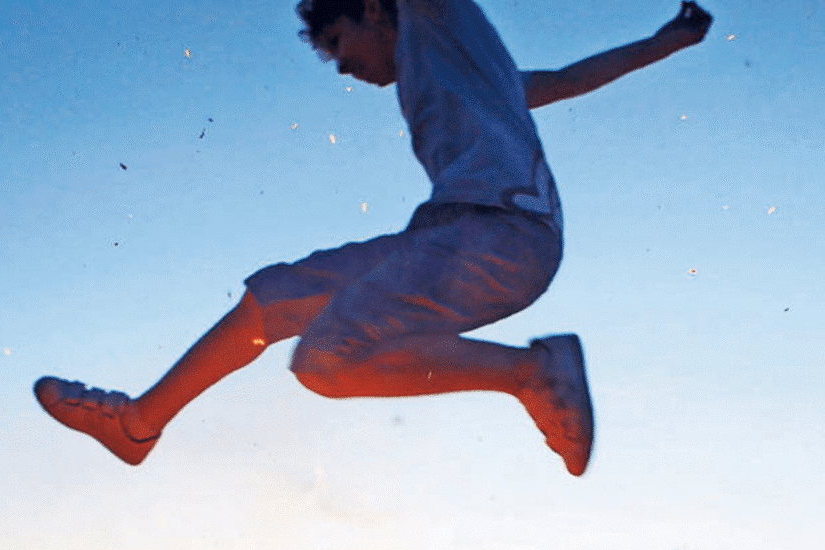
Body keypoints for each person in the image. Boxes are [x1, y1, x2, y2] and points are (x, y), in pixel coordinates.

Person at [35, 0, 713, 479]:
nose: (339, 65)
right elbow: (567, 80)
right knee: (274, 299)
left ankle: (531, 373)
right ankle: (137, 426)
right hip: (462, 234)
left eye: (337, 42)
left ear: (372, 8)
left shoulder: (432, 16)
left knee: (325, 361)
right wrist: (668, 42)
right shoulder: (468, 71)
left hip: (500, 236)